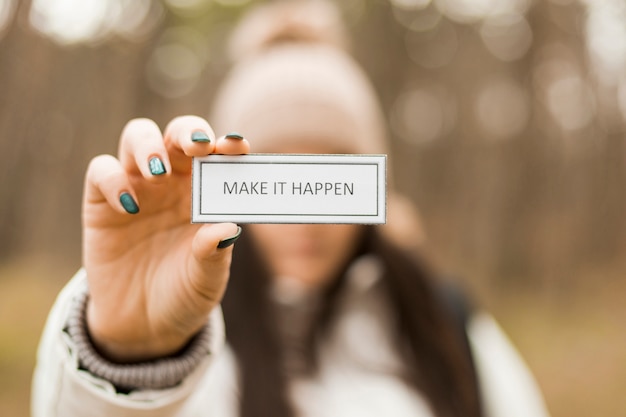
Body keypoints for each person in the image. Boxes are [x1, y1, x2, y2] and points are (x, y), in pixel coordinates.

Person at [31, 1, 551, 417]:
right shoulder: (196, 346)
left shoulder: (442, 321)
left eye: (327, 176)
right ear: (232, 183)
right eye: (276, 178)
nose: (305, 215)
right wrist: (130, 358)